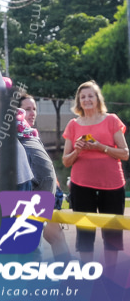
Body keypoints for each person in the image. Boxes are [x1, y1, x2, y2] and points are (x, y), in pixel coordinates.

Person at [61, 80, 128, 268]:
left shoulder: (112, 120)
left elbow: (125, 153)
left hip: (112, 185)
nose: (87, 99)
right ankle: (87, 277)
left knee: (112, 233)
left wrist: (100, 147)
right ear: (78, 102)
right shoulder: (73, 125)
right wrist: (78, 151)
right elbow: (66, 161)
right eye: (83, 97)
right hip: (81, 185)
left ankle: (110, 277)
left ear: (98, 99)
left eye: (91, 96)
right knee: (85, 232)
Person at [18, 92, 69, 260]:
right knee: (43, 237)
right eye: (27, 109)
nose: (32, 113)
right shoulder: (17, 132)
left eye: (34, 109)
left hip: (46, 191)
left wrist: (57, 187)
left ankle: (70, 278)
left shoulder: (31, 133)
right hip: (31, 190)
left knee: (56, 237)